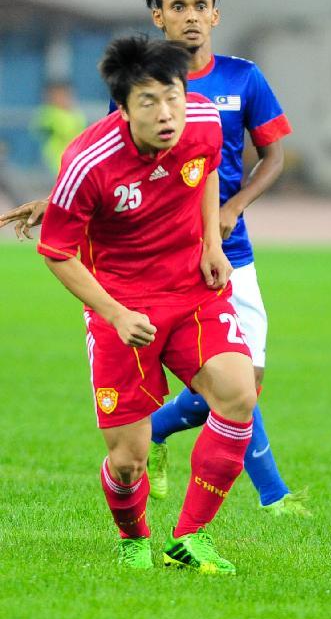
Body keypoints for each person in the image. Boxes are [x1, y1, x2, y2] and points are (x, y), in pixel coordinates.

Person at [0, 0, 308, 517]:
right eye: (178, 7)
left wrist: (227, 218)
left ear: (216, 14)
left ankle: (207, 476)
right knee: (163, 433)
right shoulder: (143, 82)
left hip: (218, 254)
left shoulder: (237, 82)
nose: (191, 17)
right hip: (138, 273)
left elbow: (253, 158)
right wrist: (61, 202)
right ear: (158, 17)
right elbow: (118, 171)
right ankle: (255, 492)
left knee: (244, 384)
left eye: (200, 6)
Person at [36, 35, 257, 573]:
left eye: (174, 96)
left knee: (237, 393)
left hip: (191, 292)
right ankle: (132, 537)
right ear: (122, 107)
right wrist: (113, 313)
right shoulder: (88, 162)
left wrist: (211, 244)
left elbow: (204, 171)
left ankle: (191, 539)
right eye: (149, 102)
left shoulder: (202, 121)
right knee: (129, 460)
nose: (167, 113)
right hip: (122, 305)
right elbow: (57, 252)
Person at [33, 82, 86, 176]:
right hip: (55, 158)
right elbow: (38, 130)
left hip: (75, 156)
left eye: (64, 95)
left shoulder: (76, 114)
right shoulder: (48, 113)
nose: (62, 99)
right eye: (57, 96)